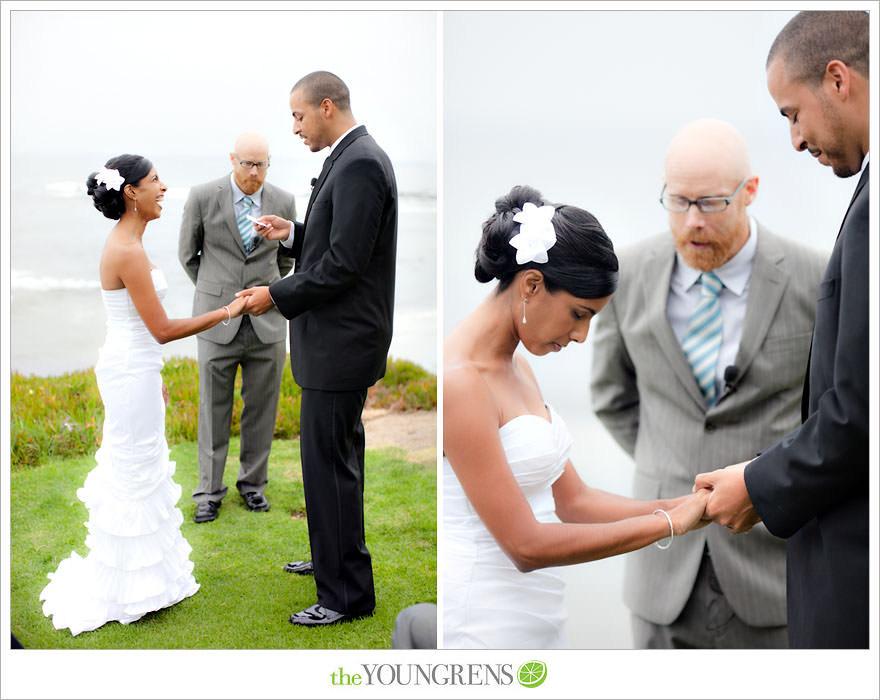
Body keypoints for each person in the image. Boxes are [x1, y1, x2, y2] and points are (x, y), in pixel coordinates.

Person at [589, 119, 828, 648]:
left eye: (711, 203)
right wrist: (670, 462)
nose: (693, 221)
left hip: (775, 568)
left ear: (750, 193)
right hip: (660, 562)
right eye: (678, 202)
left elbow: (830, 415)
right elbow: (611, 398)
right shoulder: (626, 274)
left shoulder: (817, 277)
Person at [442, 184, 709, 649]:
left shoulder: (516, 364)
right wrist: (667, 527)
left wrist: (683, 507)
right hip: (482, 619)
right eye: (579, 314)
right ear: (531, 284)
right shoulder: (461, 382)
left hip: (538, 611)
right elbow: (524, 546)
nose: (583, 336)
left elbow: (574, 501)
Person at [695, 11, 869, 649]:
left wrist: (758, 482)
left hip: (854, 578)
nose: (795, 139)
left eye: (792, 113)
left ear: (837, 79)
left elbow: (860, 412)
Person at [40, 154, 247, 635]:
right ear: (131, 191)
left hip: (136, 367)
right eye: (155, 181)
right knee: (133, 467)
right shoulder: (127, 251)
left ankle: (150, 579)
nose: (164, 188)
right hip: (131, 367)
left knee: (143, 463)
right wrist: (226, 312)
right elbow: (161, 329)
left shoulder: (131, 242)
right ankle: (126, 586)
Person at [237, 71, 397, 627]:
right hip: (338, 340)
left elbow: (345, 265)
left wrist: (273, 294)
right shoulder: (351, 156)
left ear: (326, 106)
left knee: (329, 466)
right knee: (333, 461)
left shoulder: (360, 163)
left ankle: (346, 596)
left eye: (299, 116)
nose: (295, 128)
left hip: (341, 341)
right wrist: (294, 233)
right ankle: (331, 556)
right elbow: (339, 243)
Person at [179, 132, 297, 524]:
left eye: (261, 164)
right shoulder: (202, 196)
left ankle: (253, 486)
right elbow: (188, 255)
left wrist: (268, 292)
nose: (254, 172)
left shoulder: (284, 200)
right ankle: (208, 493)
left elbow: (286, 261)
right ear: (232, 160)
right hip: (217, 320)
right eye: (247, 163)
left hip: (268, 321)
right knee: (213, 409)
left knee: (262, 409)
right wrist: (218, 298)